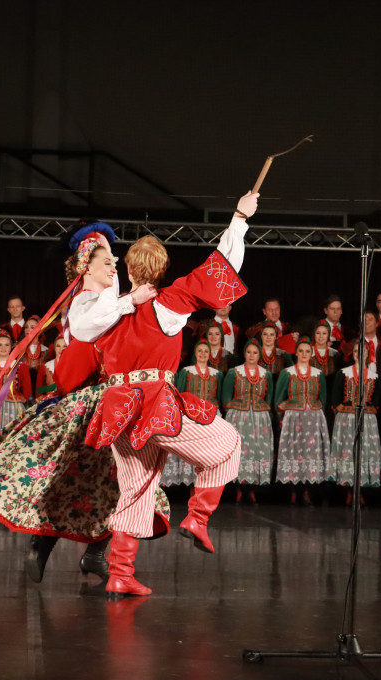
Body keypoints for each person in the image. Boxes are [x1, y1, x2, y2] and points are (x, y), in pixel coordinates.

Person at [0, 224, 161, 584]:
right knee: (67, 475)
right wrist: (128, 299)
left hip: (116, 400)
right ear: (85, 267)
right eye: (107, 261)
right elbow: (88, 329)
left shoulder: (115, 300)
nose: (114, 267)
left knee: (117, 480)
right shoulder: (83, 303)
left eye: (115, 261)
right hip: (87, 400)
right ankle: (41, 548)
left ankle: (93, 554)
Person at [74, 191, 257, 598]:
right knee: (227, 445)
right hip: (152, 401)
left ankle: (120, 572)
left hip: (118, 409)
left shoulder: (109, 307)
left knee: (136, 487)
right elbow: (222, 266)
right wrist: (240, 218)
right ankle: (198, 517)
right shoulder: (170, 301)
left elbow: (82, 333)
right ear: (161, 269)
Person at [274, 337, 330, 505]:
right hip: (293, 417)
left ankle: (306, 490)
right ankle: (293, 490)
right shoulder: (288, 372)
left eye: (307, 351)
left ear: (311, 354)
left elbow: (323, 398)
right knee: (294, 452)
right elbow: (279, 398)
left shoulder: (318, 374)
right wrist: (281, 414)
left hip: (312, 417)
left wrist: (317, 413)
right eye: (301, 351)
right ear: (296, 353)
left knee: (309, 453)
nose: (304, 354)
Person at [165, 341, 225, 488]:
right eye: (200, 351)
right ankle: (189, 482)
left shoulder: (217, 374)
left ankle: (205, 483)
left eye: (206, 351)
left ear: (209, 354)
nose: (203, 354)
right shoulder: (187, 371)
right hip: (191, 414)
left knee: (208, 450)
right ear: (195, 353)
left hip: (211, 415)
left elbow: (219, 396)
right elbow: (179, 393)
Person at [221, 339, 274, 503]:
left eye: (255, 352)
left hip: (259, 418)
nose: (252, 355)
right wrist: (231, 411)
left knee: (257, 451)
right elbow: (226, 396)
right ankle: (238, 488)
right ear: (244, 353)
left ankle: (252, 489)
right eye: (249, 352)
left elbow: (269, 396)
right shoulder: (234, 372)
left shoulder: (266, 374)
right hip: (239, 417)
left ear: (260, 355)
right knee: (240, 452)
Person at [328, 343, 381, 503]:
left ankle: (360, 490)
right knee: (348, 451)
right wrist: (341, 409)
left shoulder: (374, 375)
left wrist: (372, 409)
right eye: (356, 351)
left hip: (366, 418)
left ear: (367, 354)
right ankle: (348, 490)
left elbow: (377, 398)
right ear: (353, 354)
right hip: (347, 418)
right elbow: (336, 397)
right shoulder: (343, 373)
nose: (359, 353)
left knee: (363, 452)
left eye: (363, 351)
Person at [35, 336, 69, 401]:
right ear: (54, 348)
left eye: (64, 346)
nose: (61, 349)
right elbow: (39, 391)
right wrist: (53, 388)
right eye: (58, 346)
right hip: (49, 403)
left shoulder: (73, 367)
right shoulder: (45, 367)